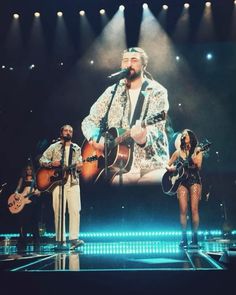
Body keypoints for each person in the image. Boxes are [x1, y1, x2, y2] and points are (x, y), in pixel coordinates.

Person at [81, 47, 169, 185]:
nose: (129, 64)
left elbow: (156, 129)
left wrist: (143, 138)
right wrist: (94, 138)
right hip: (119, 168)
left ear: (144, 65)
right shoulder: (111, 92)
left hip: (151, 165)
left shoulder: (157, 91)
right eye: (125, 60)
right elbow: (89, 121)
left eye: (134, 60)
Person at [39, 124, 84, 250]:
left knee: (75, 210)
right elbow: (41, 160)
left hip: (73, 181)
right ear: (61, 133)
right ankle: (60, 240)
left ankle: (74, 239)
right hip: (58, 182)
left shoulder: (77, 148)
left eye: (71, 131)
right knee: (59, 211)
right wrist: (50, 163)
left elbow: (79, 166)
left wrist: (79, 168)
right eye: (66, 130)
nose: (68, 132)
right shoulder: (54, 147)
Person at [166, 129, 203, 249]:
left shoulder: (197, 150)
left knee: (194, 209)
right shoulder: (177, 152)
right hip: (181, 182)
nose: (182, 136)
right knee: (183, 209)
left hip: (194, 180)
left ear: (190, 137)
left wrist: (192, 161)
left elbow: (198, 166)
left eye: (185, 135)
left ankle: (195, 239)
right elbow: (168, 164)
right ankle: (184, 239)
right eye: (182, 135)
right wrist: (171, 169)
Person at [15, 164, 41, 251]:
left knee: (34, 222)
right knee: (23, 222)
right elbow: (18, 188)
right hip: (23, 203)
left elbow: (39, 190)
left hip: (33, 202)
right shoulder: (22, 179)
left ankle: (36, 241)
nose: (29, 171)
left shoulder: (35, 180)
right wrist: (16, 193)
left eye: (30, 169)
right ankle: (23, 241)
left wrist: (38, 192)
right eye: (27, 169)